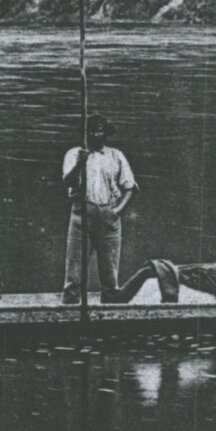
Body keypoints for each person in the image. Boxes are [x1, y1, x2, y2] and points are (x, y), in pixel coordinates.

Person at [63, 118, 138, 301]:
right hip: (82, 215)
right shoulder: (74, 154)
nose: (95, 135)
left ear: (105, 134)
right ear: (85, 133)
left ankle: (110, 307)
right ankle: (70, 309)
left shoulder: (115, 156)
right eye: (91, 131)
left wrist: (117, 211)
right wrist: (80, 163)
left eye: (99, 131)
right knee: (74, 273)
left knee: (110, 273)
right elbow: (68, 182)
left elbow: (131, 188)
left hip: (108, 215)